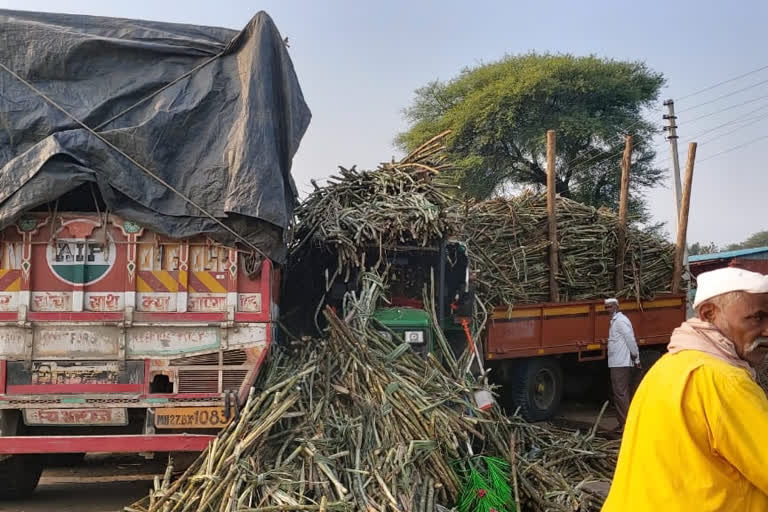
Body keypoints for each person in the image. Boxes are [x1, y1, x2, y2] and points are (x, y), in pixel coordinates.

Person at [602, 267, 768, 511]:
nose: (767, 329)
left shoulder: (667, 367)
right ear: (709, 314)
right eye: (757, 317)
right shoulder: (724, 381)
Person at [604, 298, 640, 430]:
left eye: (610, 307)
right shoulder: (615, 321)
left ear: (616, 307)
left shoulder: (620, 321)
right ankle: (624, 423)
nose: (607, 310)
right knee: (620, 393)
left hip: (621, 363)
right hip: (617, 363)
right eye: (606, 307)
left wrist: (636, 358)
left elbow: (630, 340)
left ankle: (626, 424)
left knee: (620, 394)